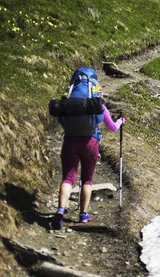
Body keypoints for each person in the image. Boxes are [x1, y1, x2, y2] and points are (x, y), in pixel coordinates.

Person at [51, 68, 125, 229]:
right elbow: (112, 127)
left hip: (70, 141)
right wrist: (121, 121)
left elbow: (60, 119)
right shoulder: (96, 104)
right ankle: (84, 215)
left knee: (68, 178)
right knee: (87, 180)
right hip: (90, 143)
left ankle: (60, 211)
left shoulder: (67, 103)